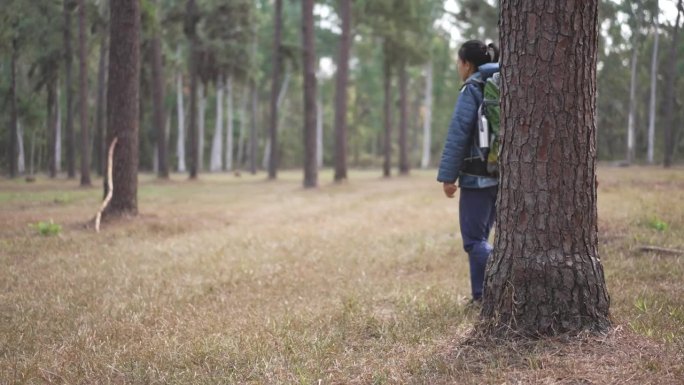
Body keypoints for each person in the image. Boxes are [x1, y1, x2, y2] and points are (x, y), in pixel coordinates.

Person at [437, 40, 499, 304]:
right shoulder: (500, 84)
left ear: (467, 64)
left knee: (474, 241)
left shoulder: (472, 89)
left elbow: (458, 134)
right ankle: (480, 295)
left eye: (458, 62)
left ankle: (507, 270)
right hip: (500, 174)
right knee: (481, 238)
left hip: (476, 177)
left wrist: (448, 177)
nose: (457, 67)